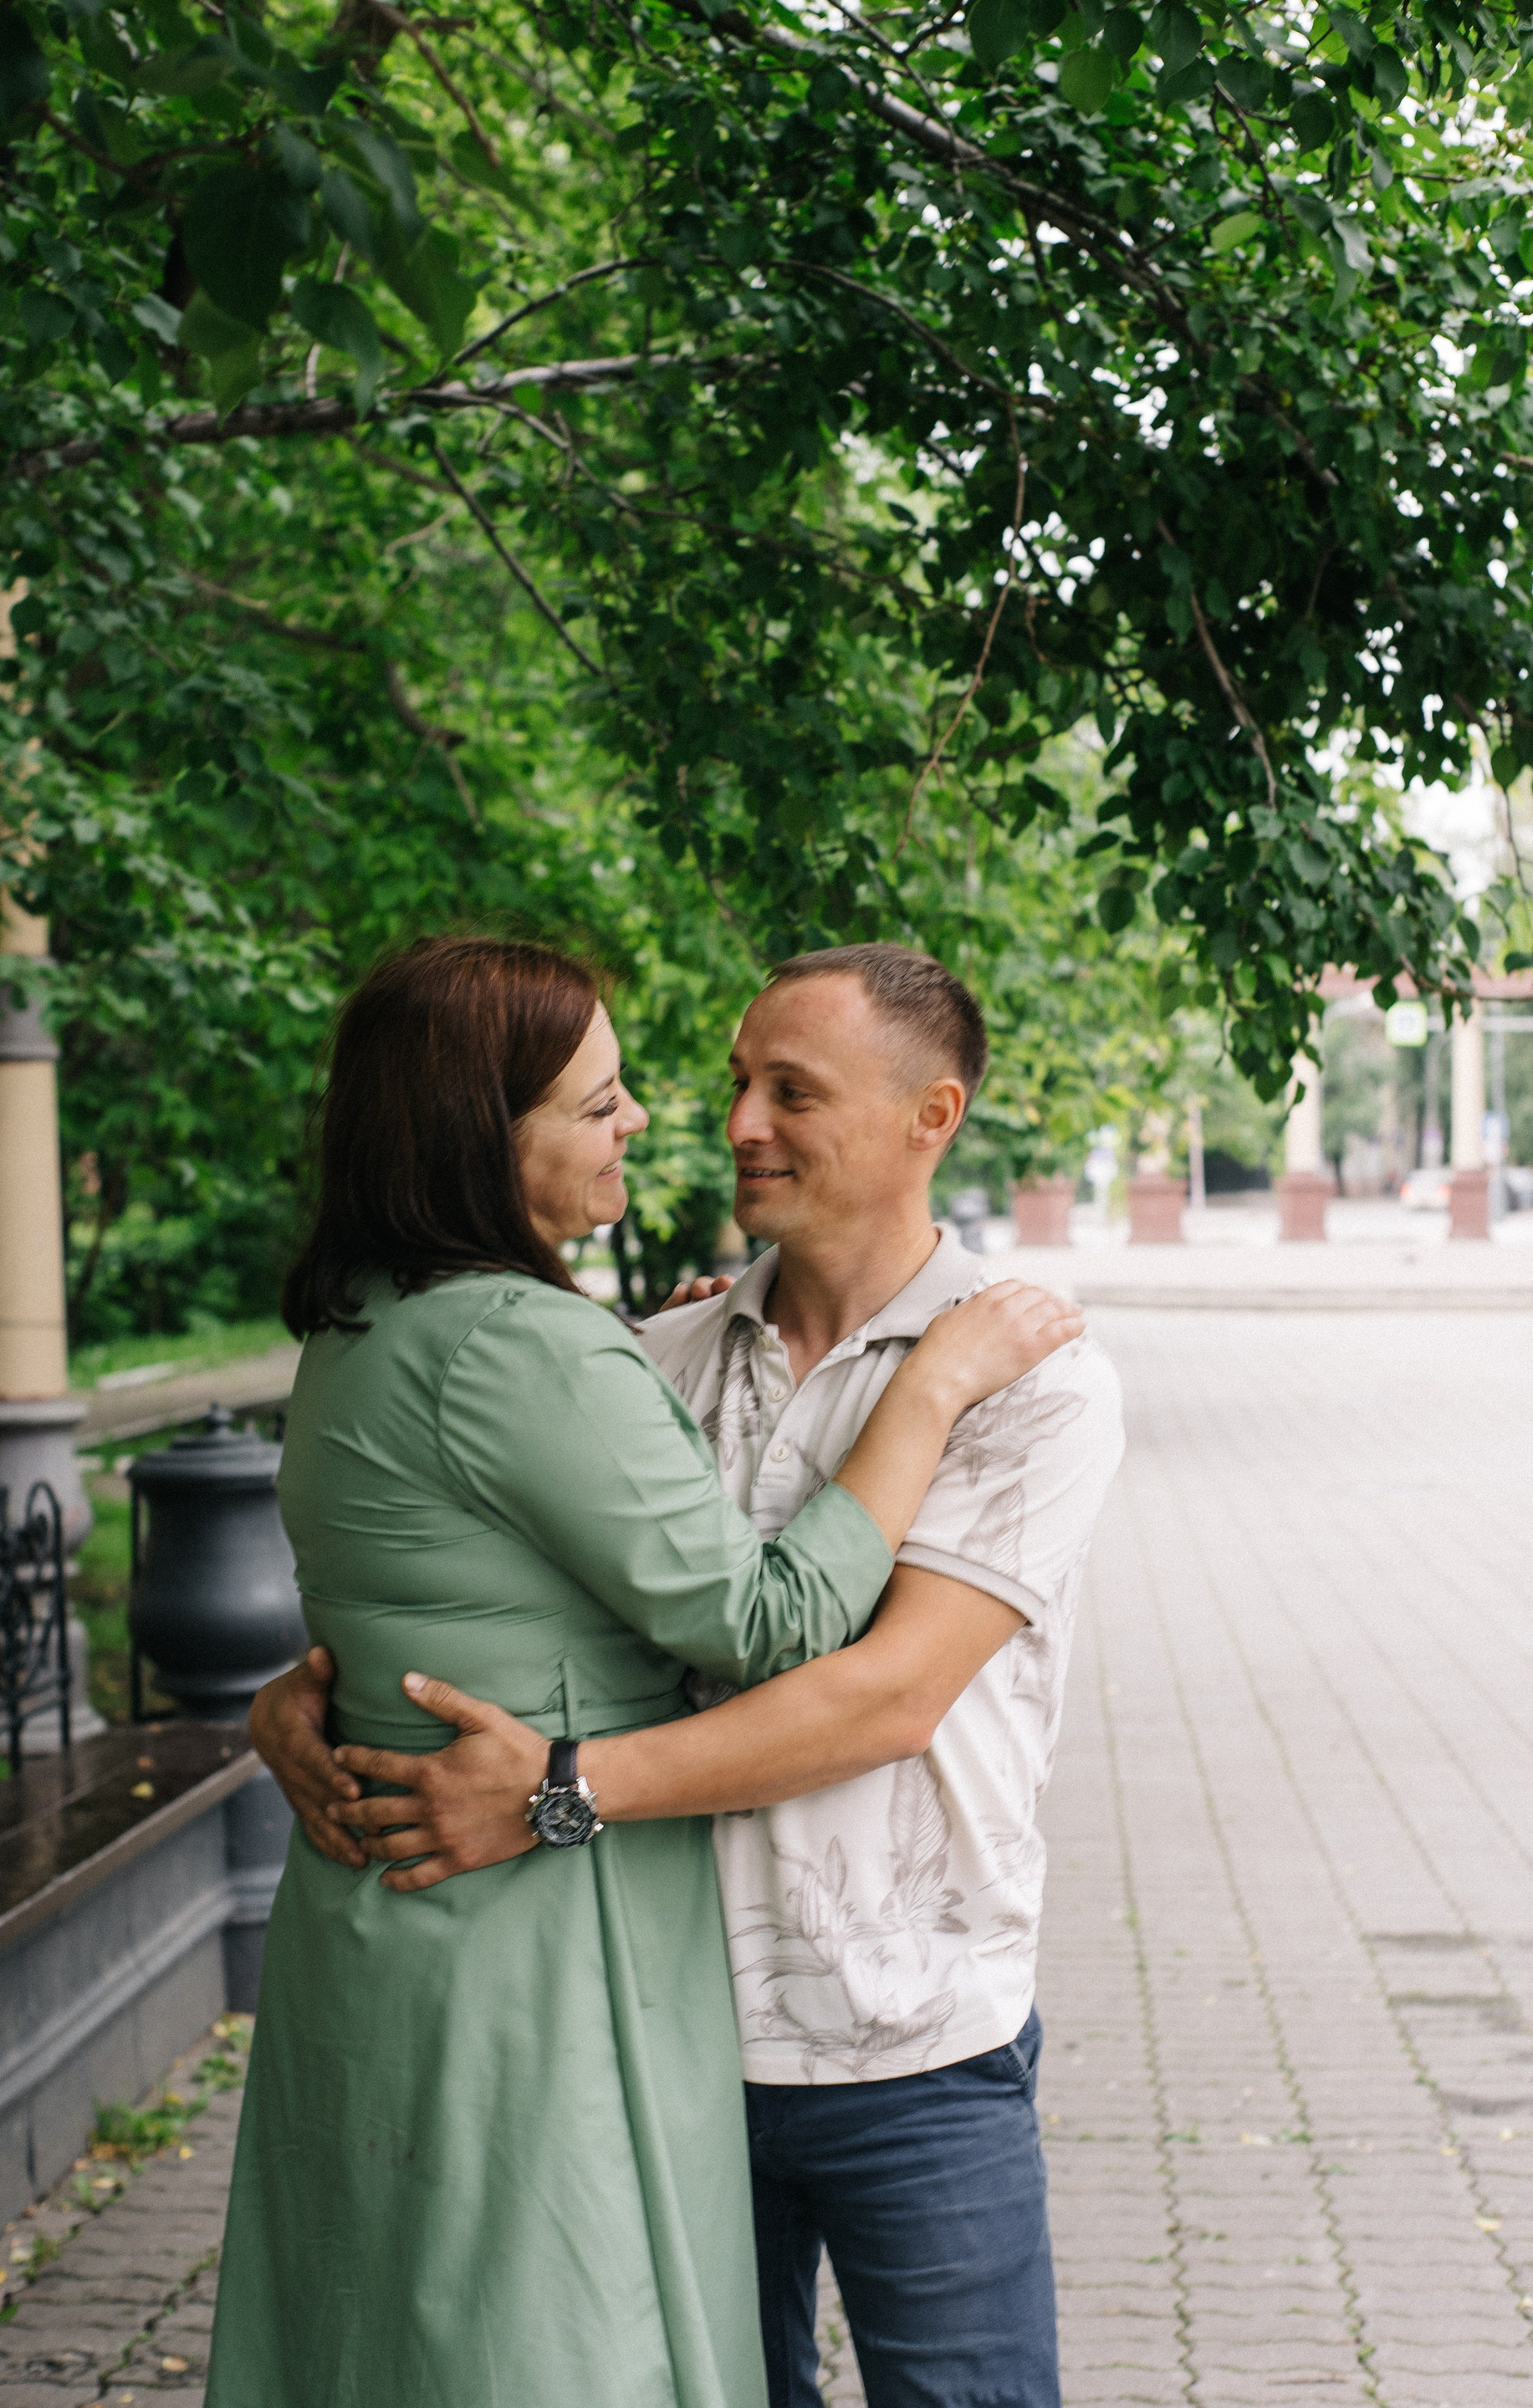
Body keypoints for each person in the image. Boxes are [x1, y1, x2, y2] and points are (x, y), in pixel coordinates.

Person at [203, 934, 1082, 2408]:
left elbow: (885, 1696)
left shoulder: (1024, 1375)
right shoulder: (639, 1354)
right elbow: (599, 1593)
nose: (718, 1122)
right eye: (720, 1082)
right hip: (648, 2015)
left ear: (930, 1117)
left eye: (790, 1091)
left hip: (903, 2030)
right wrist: (306, 1699)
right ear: (481, 1136)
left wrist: (544, 1786)